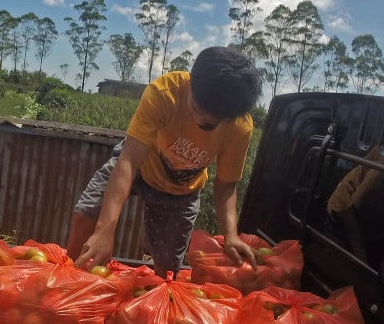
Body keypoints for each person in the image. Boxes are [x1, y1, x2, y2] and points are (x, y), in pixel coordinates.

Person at [71, 46, 262, 276]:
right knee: (87, 213)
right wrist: (104, 231)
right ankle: (71, 279)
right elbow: (128, 161)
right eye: (196, 109)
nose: (201, 120)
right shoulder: (164, 92)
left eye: (213, 121)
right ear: (191, 82)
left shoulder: (240, 127)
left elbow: (226, 185)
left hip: (181, 190)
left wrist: (231, 235)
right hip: (141, 164)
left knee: (167, 268)